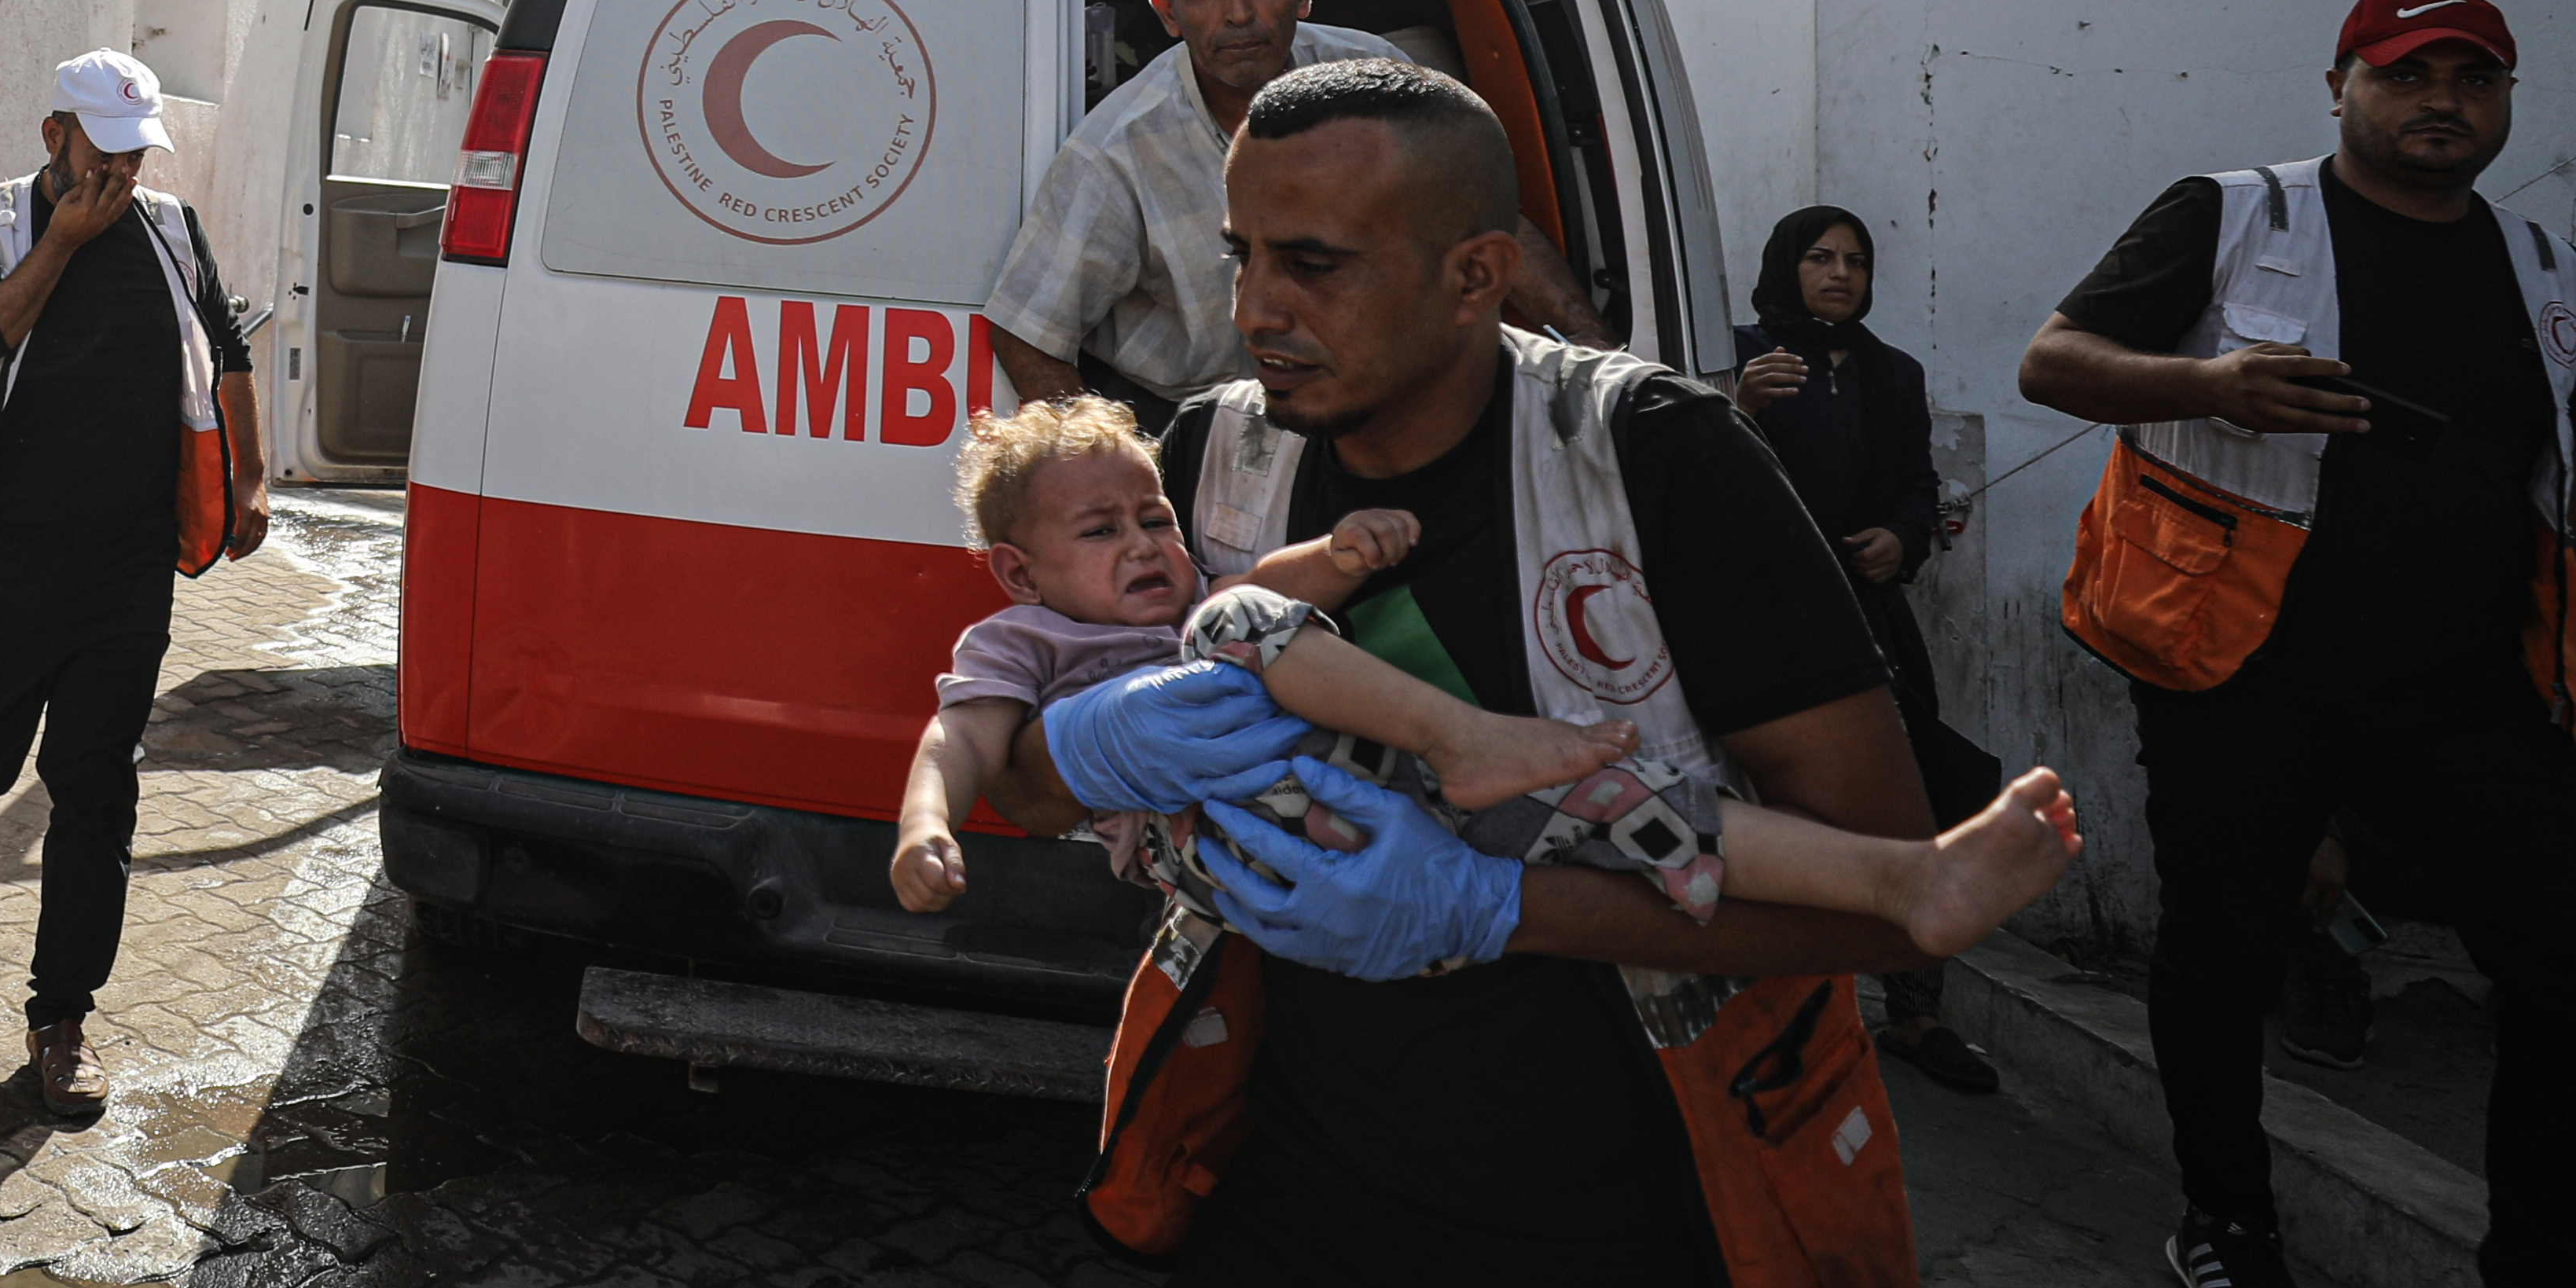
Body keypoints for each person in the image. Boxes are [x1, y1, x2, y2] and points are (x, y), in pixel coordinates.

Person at [986, 61, 1955, 1288]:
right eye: (1240, 255)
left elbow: (1888, 887)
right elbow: (1007, 773)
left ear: (1472, 271)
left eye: (1317, 262)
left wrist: (1496, 906)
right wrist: (1084, 753)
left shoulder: (1651, 459)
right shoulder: (1216, 456)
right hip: (1285, 1266)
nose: (1257, 308)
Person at [2021, 0, 2576, 1288]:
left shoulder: (2548, 275)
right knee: (2223, 948)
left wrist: (2573, 704)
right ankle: (2226, 1220)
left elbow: (2549, 491)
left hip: (2461, 694)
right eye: (2405, 75)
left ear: (2506, 100)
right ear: (2339, 84)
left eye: (2472, 77)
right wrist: (2205, 384)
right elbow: (2049, 361)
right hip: (2237, 665)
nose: (2438, 101)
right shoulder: (2231, 216)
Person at [891, 394, 2082, 965]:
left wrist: (1336, 559)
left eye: (1152, 513)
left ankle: (1906, 879)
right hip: (1223, 847)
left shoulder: (1202, 585)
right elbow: (962, 747)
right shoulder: (1026, 648)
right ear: (1018, 571)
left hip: (1385, 794)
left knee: (1632, 803)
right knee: (1239, 614)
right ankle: (1467, 738)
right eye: (1101, 532)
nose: (1147, 544)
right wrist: (929, 830)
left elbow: (1274, 593)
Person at [0, 51, 268, 1121]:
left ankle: (61, 1021)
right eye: (103, 151)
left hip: (127, 563)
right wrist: (64, 242)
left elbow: (228, 350)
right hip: (11, 553)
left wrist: (248, 474)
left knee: (96, 784)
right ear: (55, 133)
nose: (122, 173)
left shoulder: (171, 229)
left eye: (135, 153)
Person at [984, 0, 1591, 427]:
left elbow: (1486, 217)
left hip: (1382, 403)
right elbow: (1029, 333)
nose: (1239, 13)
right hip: (1203, 417)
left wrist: (1598, 358)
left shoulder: (1377, 77)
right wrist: (1123, 487)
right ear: (1167, 13)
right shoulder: (1117, 150)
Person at [1730, 204, 2006, 1094]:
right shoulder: (1739, 354)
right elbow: (1690, 473)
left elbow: (1917, 486)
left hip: (1867, 611)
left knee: (1909, 788)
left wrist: (1901, 535)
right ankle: (1774, 1001)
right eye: (1819, 256)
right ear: (1786, 265)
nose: (1839, 273)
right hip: (1765, 610)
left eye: (1854, 259)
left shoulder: (1893, 373)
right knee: (1765, 796)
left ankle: (1914, 1009)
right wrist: (1735, 405)